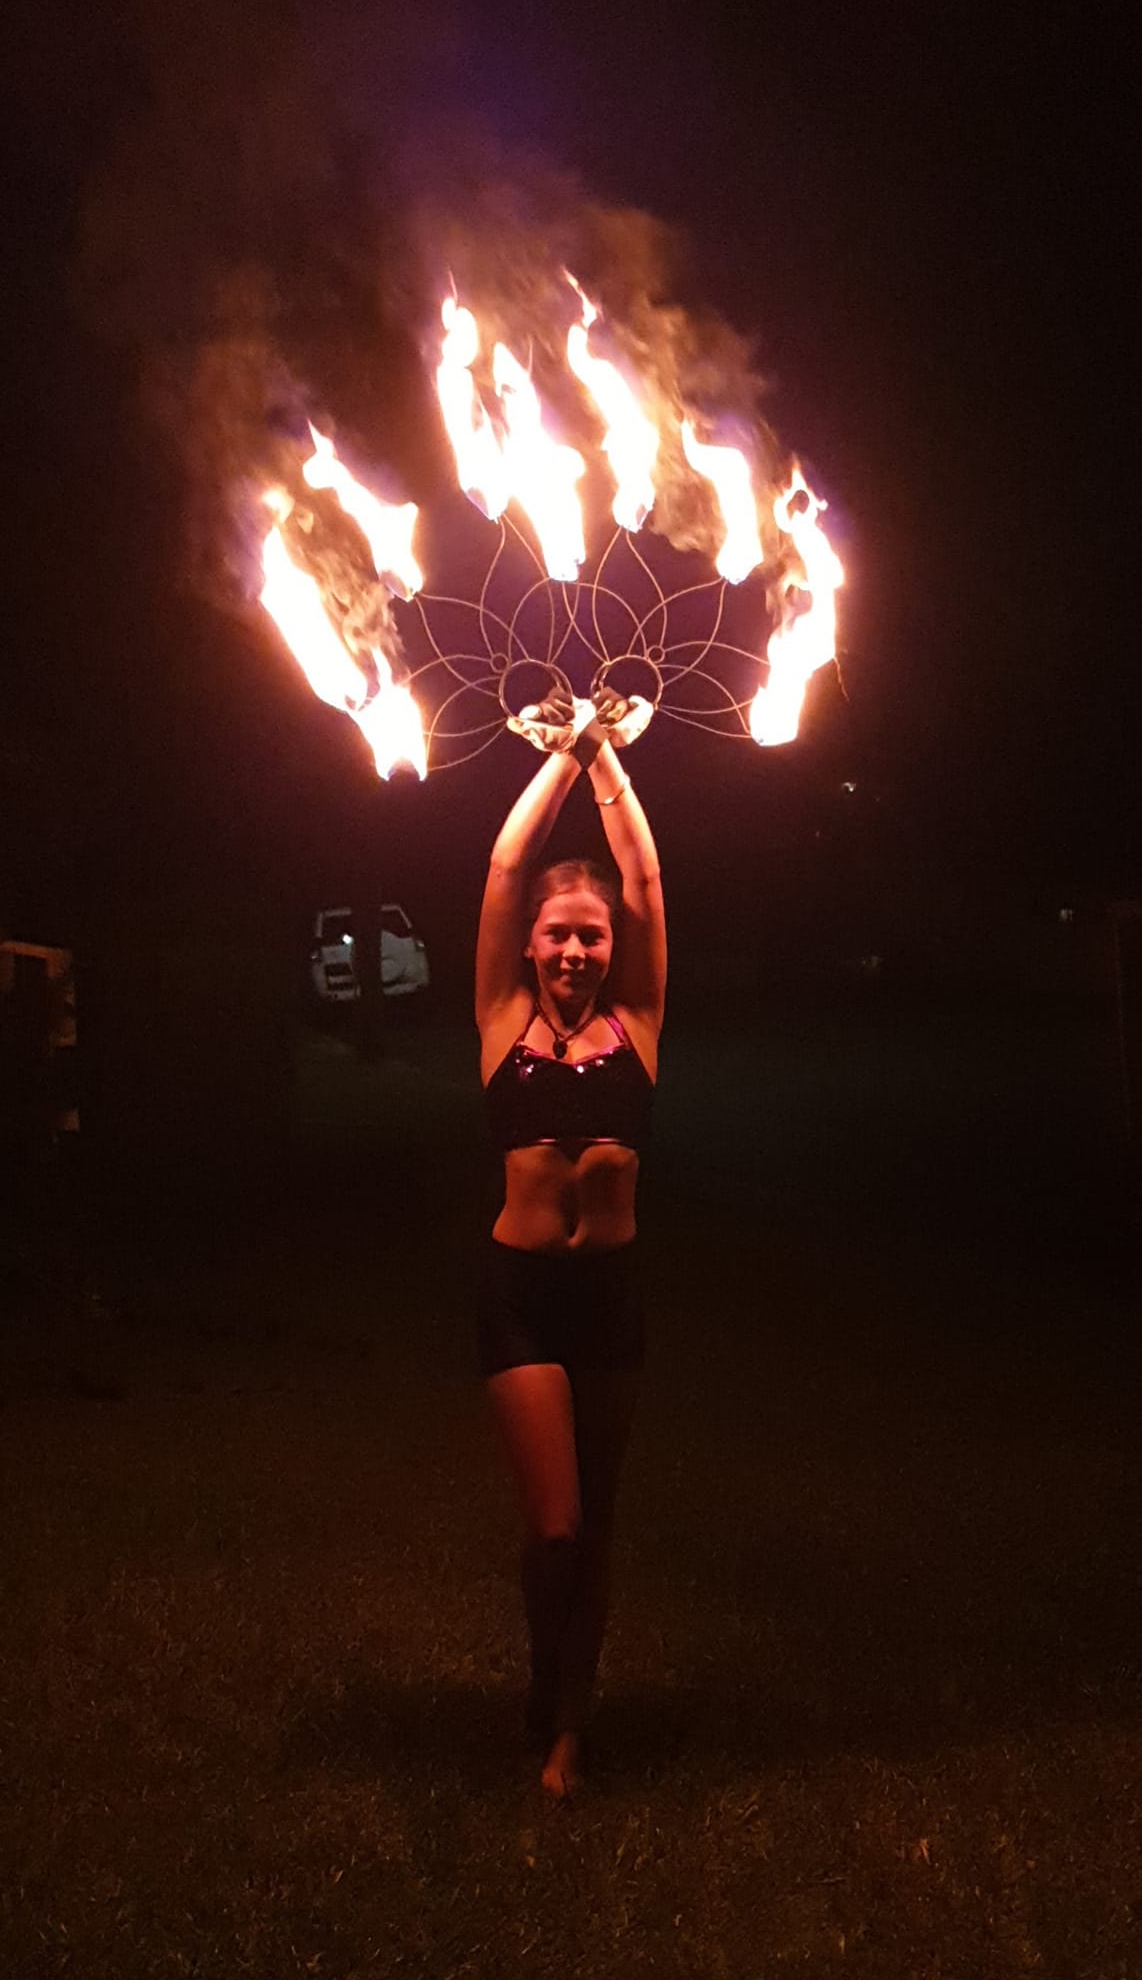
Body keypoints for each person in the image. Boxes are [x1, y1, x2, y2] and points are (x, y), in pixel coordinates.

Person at [475, 694, 665, 1797]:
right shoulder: (500, 1016)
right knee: (552, 1524)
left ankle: (568, 1723)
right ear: (536, 946)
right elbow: (506, 873)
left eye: (590, 934)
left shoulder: (635, 1021)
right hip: (519, 1298)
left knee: (595, 1529)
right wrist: (560, 753)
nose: (577, 949)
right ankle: (545, 1672)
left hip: (611, 1298)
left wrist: (609, 764)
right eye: (562, 933)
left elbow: (642, 881)